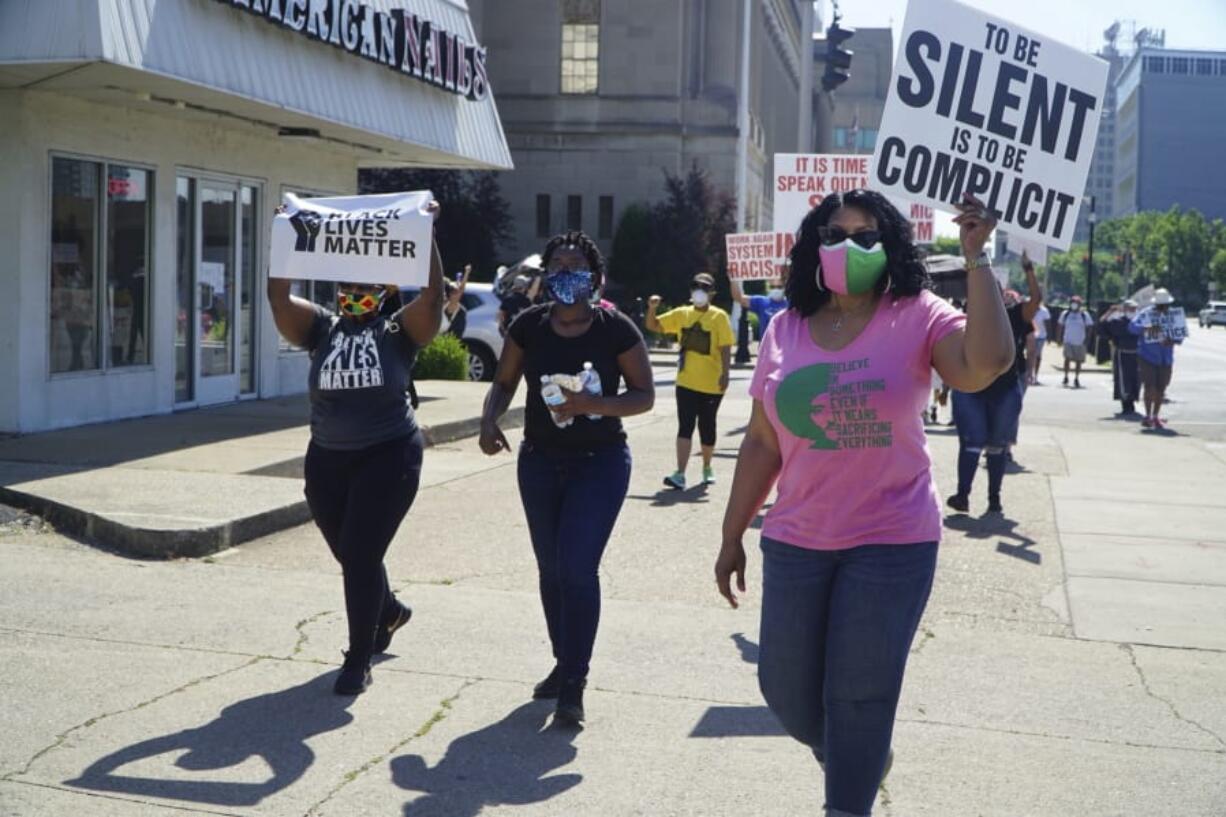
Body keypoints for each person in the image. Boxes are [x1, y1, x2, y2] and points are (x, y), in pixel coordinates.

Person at [715, 190, 1013, 817]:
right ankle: (861, 757)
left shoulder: (918, 313)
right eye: (835, 233)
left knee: (860, 695)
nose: (849, 246)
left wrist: (976, 258)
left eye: (867, 236)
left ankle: (847, 800)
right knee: (786, 691)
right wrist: (731, 533)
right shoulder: (784, 327)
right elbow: (764, 441)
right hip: (797, 538)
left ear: (892, 247)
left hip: (892, 541)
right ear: (813, 243)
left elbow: (987, 363)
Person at [267, 200, 444, 696]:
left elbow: (432, 298)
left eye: (367, 286)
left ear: (385, 290)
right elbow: (279, 300)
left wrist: (425, 232)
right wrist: (285, 236)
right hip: (327, 457)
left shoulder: (398, 333)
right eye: (349, 285)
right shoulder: (321, 328)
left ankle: (358, 657)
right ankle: (387, 610)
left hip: (389, 453)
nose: (355, 293)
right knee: (349, 553)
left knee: (362, 554)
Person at [479, 230, 654, 725]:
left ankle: (574, 683)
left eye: (575, 264)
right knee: (551, 572)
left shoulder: (614, 329)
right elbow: (505, 381)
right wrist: (490, 418)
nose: (564, 272)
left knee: (578, 569)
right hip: (539, 462)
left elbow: (644, 395)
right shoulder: (529, 326)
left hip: (599, 462)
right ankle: (563, 662)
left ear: (594, 277)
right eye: (556, 265)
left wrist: (591, 406)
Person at [948, 258, 1041, 514]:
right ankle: (963, 495)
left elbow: (1036, 299)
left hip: (1005, 389)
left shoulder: (1015, 315)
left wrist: (1029, 270)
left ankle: (994, 500)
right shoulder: (963, 317)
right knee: (972, 442)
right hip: (971, 389)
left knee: (998, 445)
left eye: (992, 289)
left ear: (1001, 294)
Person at [645, 273, 735, 489]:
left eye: (704, 287)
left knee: (707, 426)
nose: (699, 291)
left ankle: (706, 466)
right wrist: (651, 308)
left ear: (712, 292)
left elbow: (725, 348)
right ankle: (680, 473)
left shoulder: (719, 316)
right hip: (686, 382)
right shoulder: (682, 314)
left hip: (712, 383)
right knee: (685, 426)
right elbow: (654, 326)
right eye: (695, 286)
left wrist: (726, 373)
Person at [1130, 288, 1183, 430]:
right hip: (1147, 356)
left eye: (1166, 305)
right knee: (1150, 387)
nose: (1164, 307)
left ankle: (1155, 415)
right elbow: (1132, 327)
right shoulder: (1146, 313)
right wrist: (1146, 328)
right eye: (1161, 305)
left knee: (1161, 388)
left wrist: (1172, 341)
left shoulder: (1174, 315)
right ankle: (1147, 416)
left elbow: (1179, 336)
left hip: (1166, 358)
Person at [1100, 299, 1140, 416]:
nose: (1132, 311)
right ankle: (1125, 404)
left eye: (1134, 309)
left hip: (1137, 354)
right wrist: (1110, 312)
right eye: (1130, 309)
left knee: (1136, 379)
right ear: (1125, 310)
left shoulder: (1139, 322)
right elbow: (1102, 325)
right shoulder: (1118, 322)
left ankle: (1132, 402)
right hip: (1123, 354)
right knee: (1123, 380)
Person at [1058, 295, 1094, 387]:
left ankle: (1076, 378)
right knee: (1067, 359)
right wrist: (1059, 338)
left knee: (1078, 361)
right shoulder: (1065, 314)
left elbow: (1090, 327)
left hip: (1080, 341)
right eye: (1073, 303)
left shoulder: (1084, 315)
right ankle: (1066, 376)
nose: (1074, 305)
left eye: (1076, 303)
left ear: (1080, 304)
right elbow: (1060, 326)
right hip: (1068, 340)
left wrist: (1087, 339)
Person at [442, 265, 472, 339]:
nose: (457, 294)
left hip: (450, 342)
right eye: (453, 292)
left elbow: (461, 289)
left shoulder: (452, 305)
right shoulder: (440, 306)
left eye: (455, 292)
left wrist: (466, 273)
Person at [1029, 299, 1050, 384]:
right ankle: (1029, 375)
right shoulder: (1029, 309)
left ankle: (1036, 376)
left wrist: (1049, 336)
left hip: (1041, 336)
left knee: (1037, 356)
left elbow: (1047, 323)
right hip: (1031, 336)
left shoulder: (1044, 311)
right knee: (1030, 355)